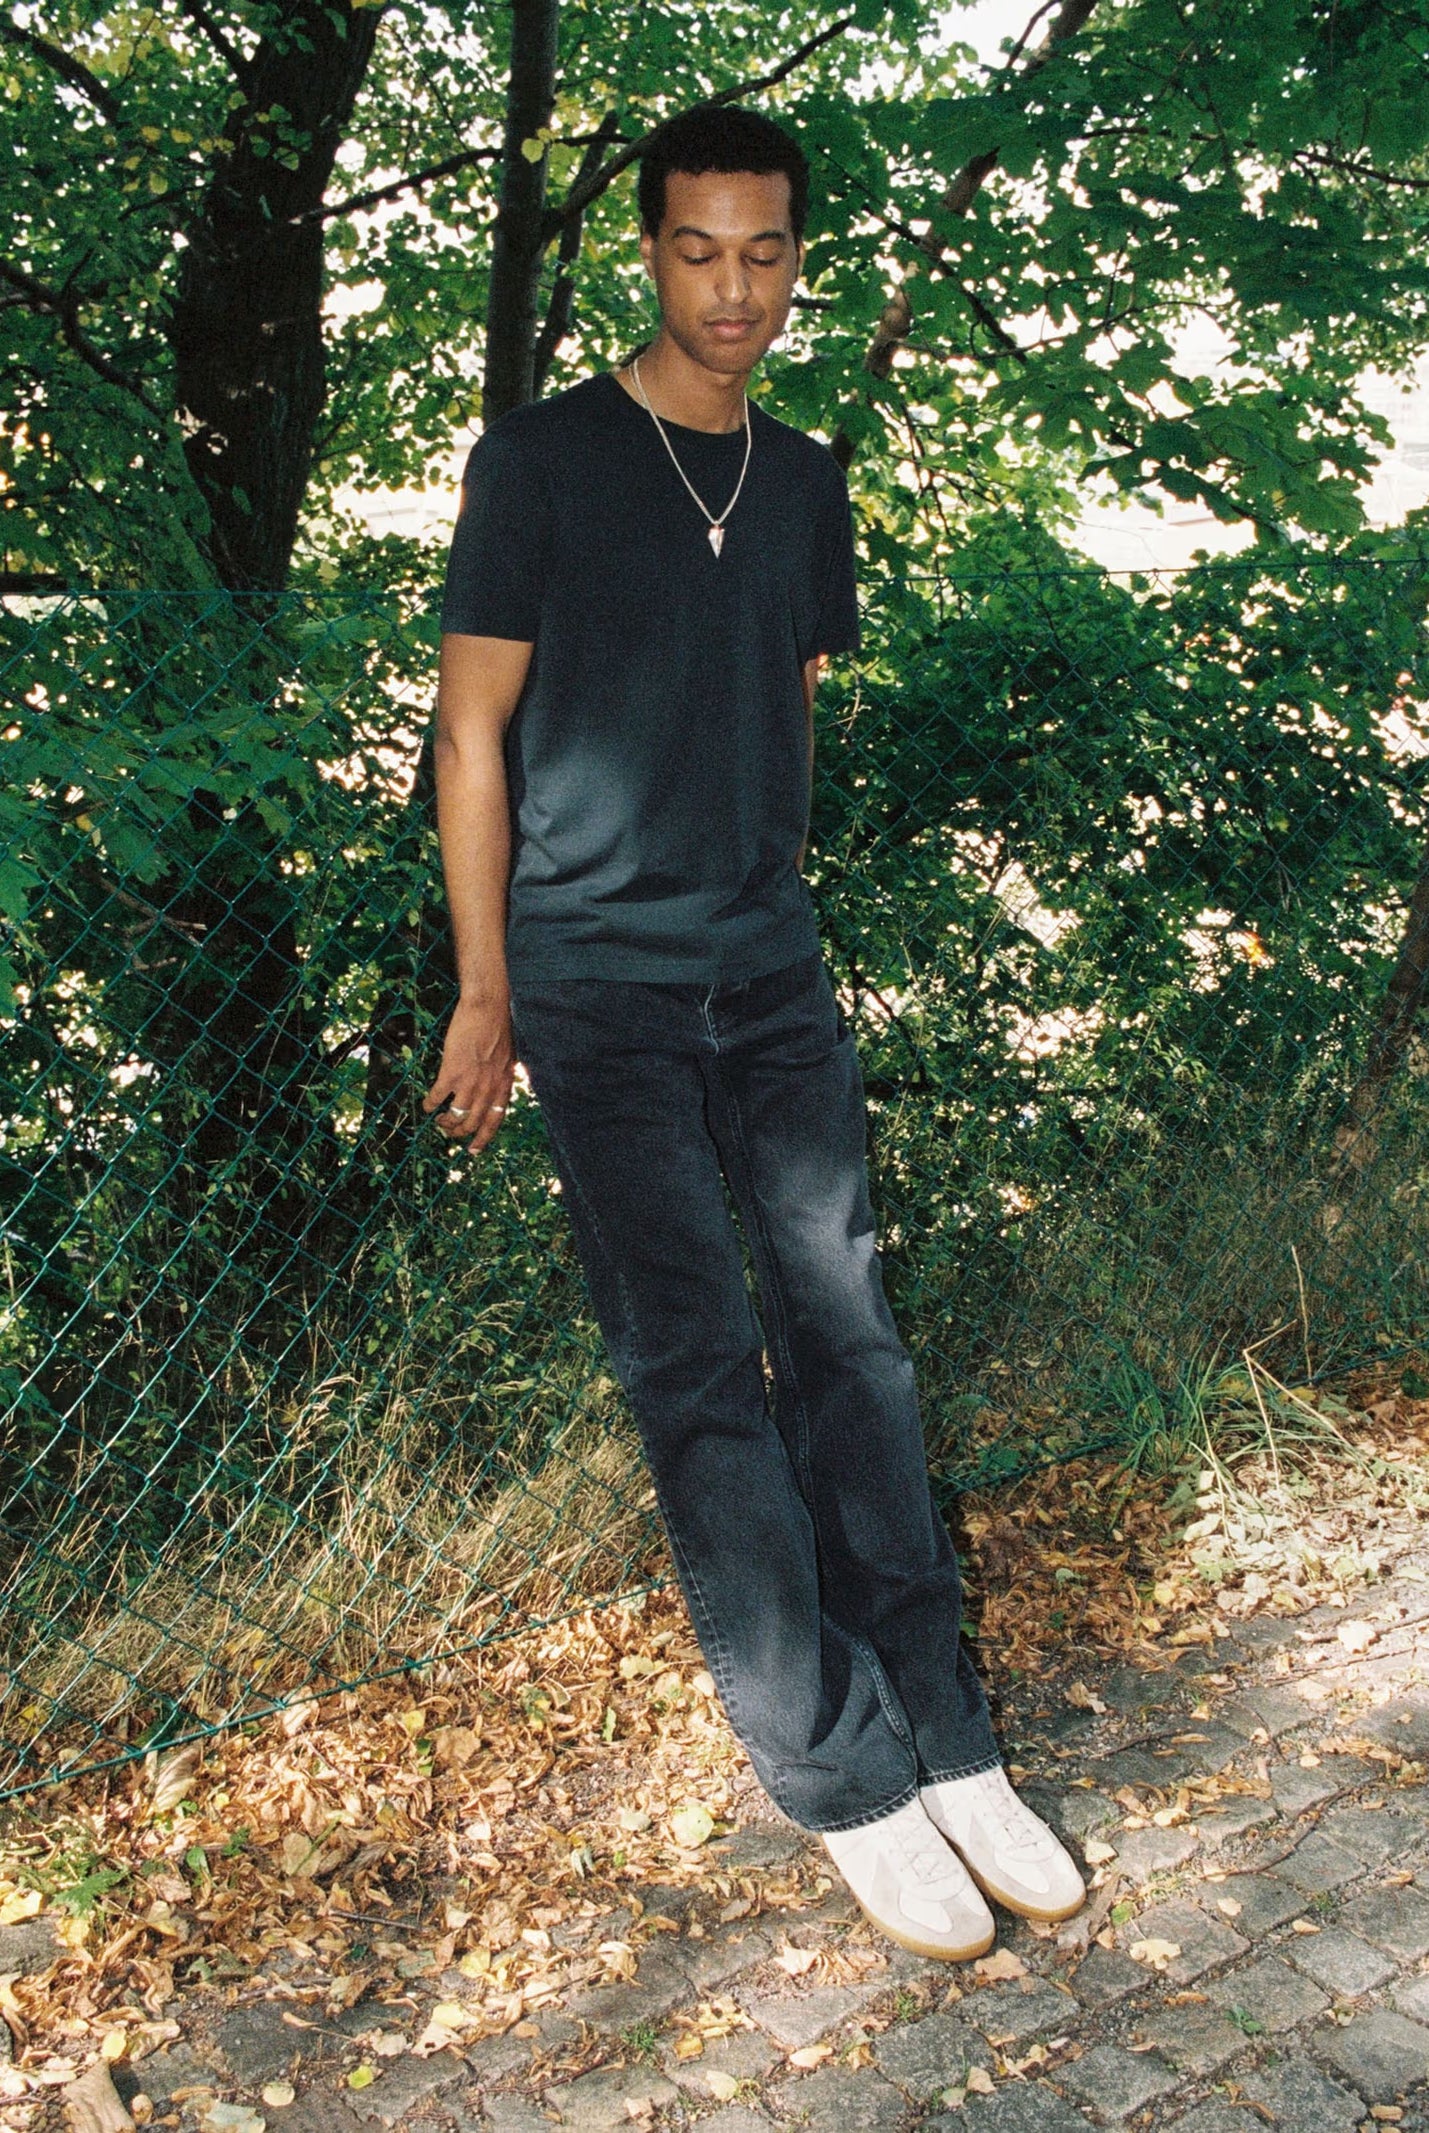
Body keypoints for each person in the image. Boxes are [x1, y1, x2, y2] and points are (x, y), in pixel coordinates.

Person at [424, 102, 1085, 1961]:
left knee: (850, 1338)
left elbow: (781, 694)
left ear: (799, 255)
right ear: (647, 250)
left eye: (765, 253)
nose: (733, 289)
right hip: (594, 988)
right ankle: (839, 1774)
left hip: (769, 974)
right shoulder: (540, 461)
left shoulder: (802, 477)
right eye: (697, 251)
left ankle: (946, 1735)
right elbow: (471, 735)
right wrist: (489, 990)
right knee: (701, 1368)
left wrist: (754, 888)